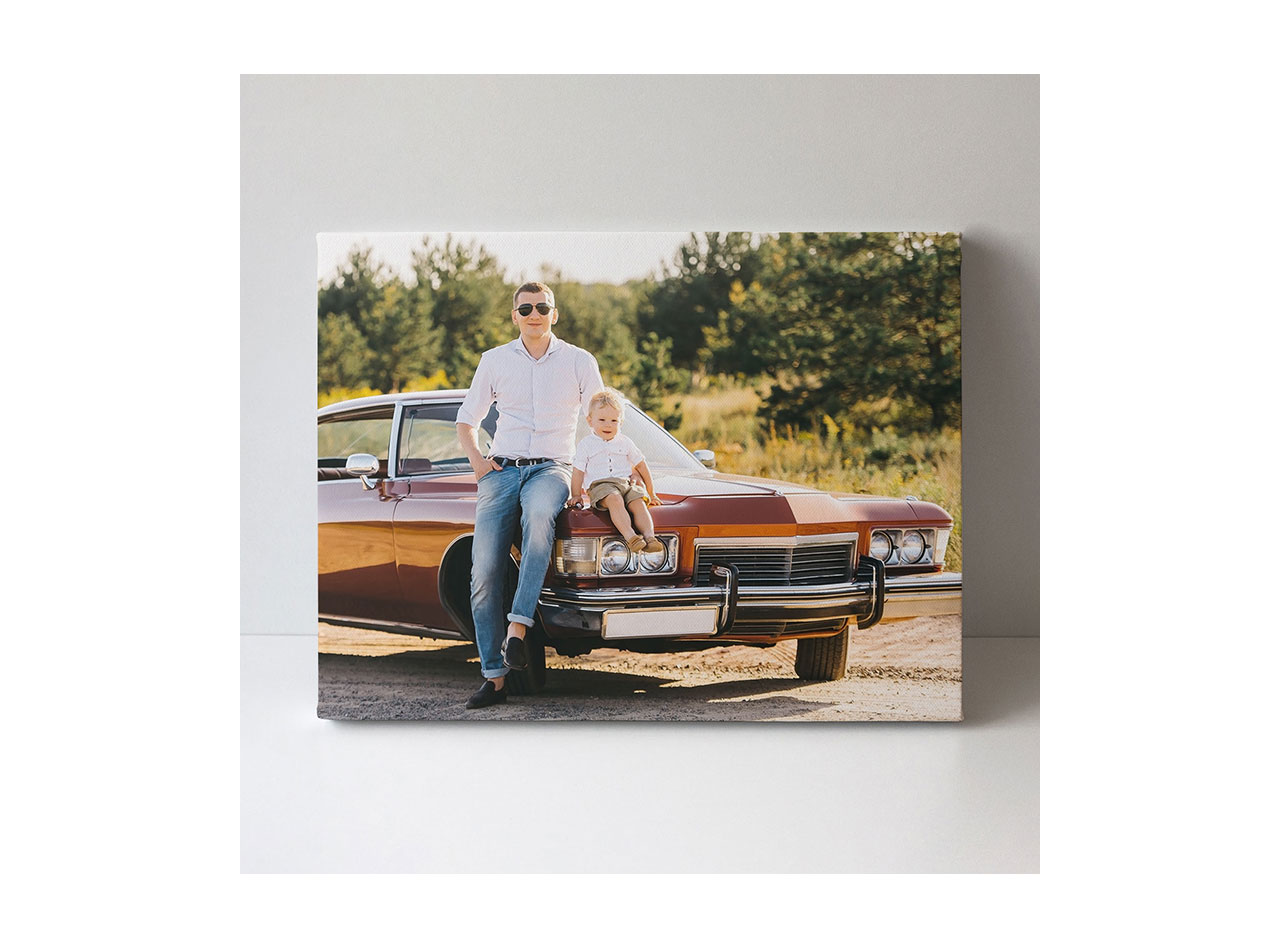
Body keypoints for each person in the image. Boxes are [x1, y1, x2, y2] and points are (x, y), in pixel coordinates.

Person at [454, 282, 603, 710]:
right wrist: (480, 465)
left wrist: (591, 478)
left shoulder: (579, 361)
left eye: (542, 307)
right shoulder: (495, 361)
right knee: (482, 574)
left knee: (539, 519)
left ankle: (518, 629)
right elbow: (467, 421)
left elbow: (601, 420)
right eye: (526, 308)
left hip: (552, 468)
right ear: (514, 315)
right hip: (501, 471)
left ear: (554, 314)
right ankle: (493, 678)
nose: (534, 314)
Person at [570, 388, 664, 552]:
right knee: (615, 499)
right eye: (602, 420)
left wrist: (651, 492)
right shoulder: (586, 444)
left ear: (621, 422)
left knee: (638, 501)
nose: (608, 425)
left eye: (614, 420)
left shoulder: (625, 442)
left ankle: (650, 537)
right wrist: (576, 495)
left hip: (625, 483)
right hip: (601, 486)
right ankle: (631, 537)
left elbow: (642, 465)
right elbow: (578, 472)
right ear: (590, 421)